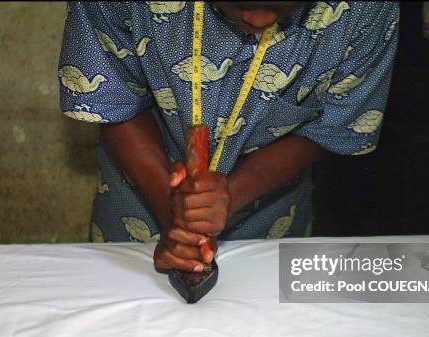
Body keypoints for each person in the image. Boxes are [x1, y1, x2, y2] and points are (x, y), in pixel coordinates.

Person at [58, 1, 399, 273]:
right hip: (139, 204)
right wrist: (179, 223)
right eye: (240, 3)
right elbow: (111, 95)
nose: (259, 18)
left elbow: (332, 126)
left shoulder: (368, 9)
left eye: (282, 6)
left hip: (270, 215)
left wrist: (233, 194)